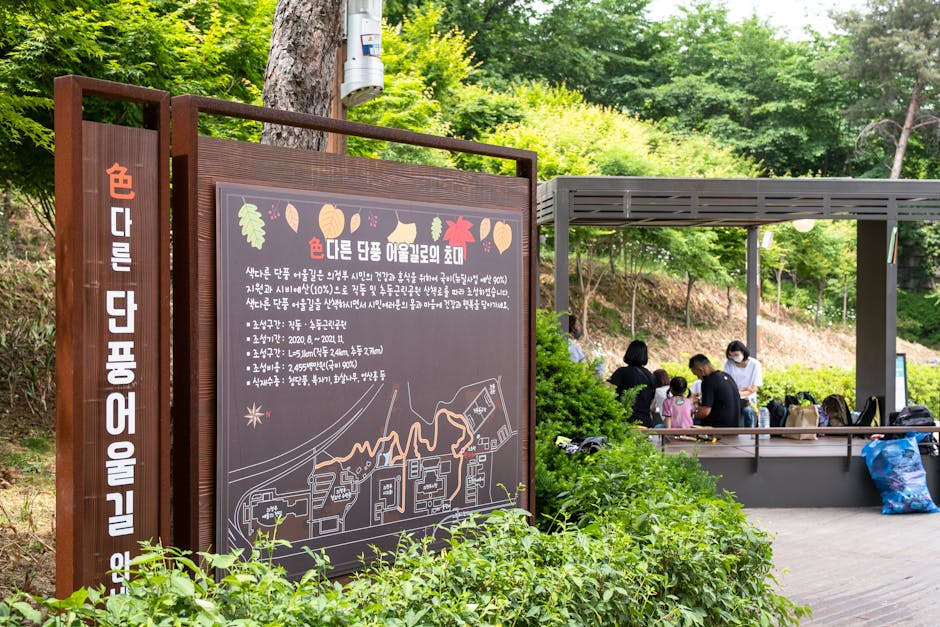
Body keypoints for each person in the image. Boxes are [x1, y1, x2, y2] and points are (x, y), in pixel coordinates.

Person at [608, 340, 656, 427]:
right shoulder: (650, 376)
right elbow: (651, 403)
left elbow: (606, 390)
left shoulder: (622, 372)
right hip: (645, 424)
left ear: (629, 353)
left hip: (625, 422)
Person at [688, 353, 740, 428]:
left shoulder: (708, 381)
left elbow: (705, 412)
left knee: (688, 421)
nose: (698, 378)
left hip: (716, 428)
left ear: (701, 370)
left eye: (696, 374)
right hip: (734, 427)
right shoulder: (728, 377)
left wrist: (690, 414)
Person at [721, 340, 763, 428]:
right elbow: (726, 384)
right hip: (731, 397)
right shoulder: (728, 363)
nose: (734, 358)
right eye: (731, 355)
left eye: (736, 355)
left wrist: (739, 392)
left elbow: (754, 388)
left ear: (743, 352)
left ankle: (750, 433)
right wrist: (744, 389)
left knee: (748, 411)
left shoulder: (755, 364)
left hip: (748, 399)